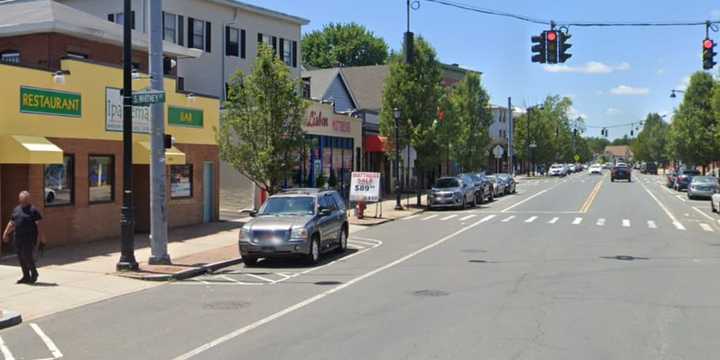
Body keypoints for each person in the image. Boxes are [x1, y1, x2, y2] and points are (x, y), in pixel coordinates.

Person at [2, 191, 45, 284]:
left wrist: (42, 238)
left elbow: (39, 226)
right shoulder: (16, 210)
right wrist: (5, 233)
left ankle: (34, 273)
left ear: (29, 199)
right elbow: (12, 223)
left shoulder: (34, 211)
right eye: (23, 199)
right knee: (21, 257)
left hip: (29, 238)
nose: (25, 201)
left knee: (27, 256)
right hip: (18, 238)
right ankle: (26, 276)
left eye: (26, 199)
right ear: (19, 199)